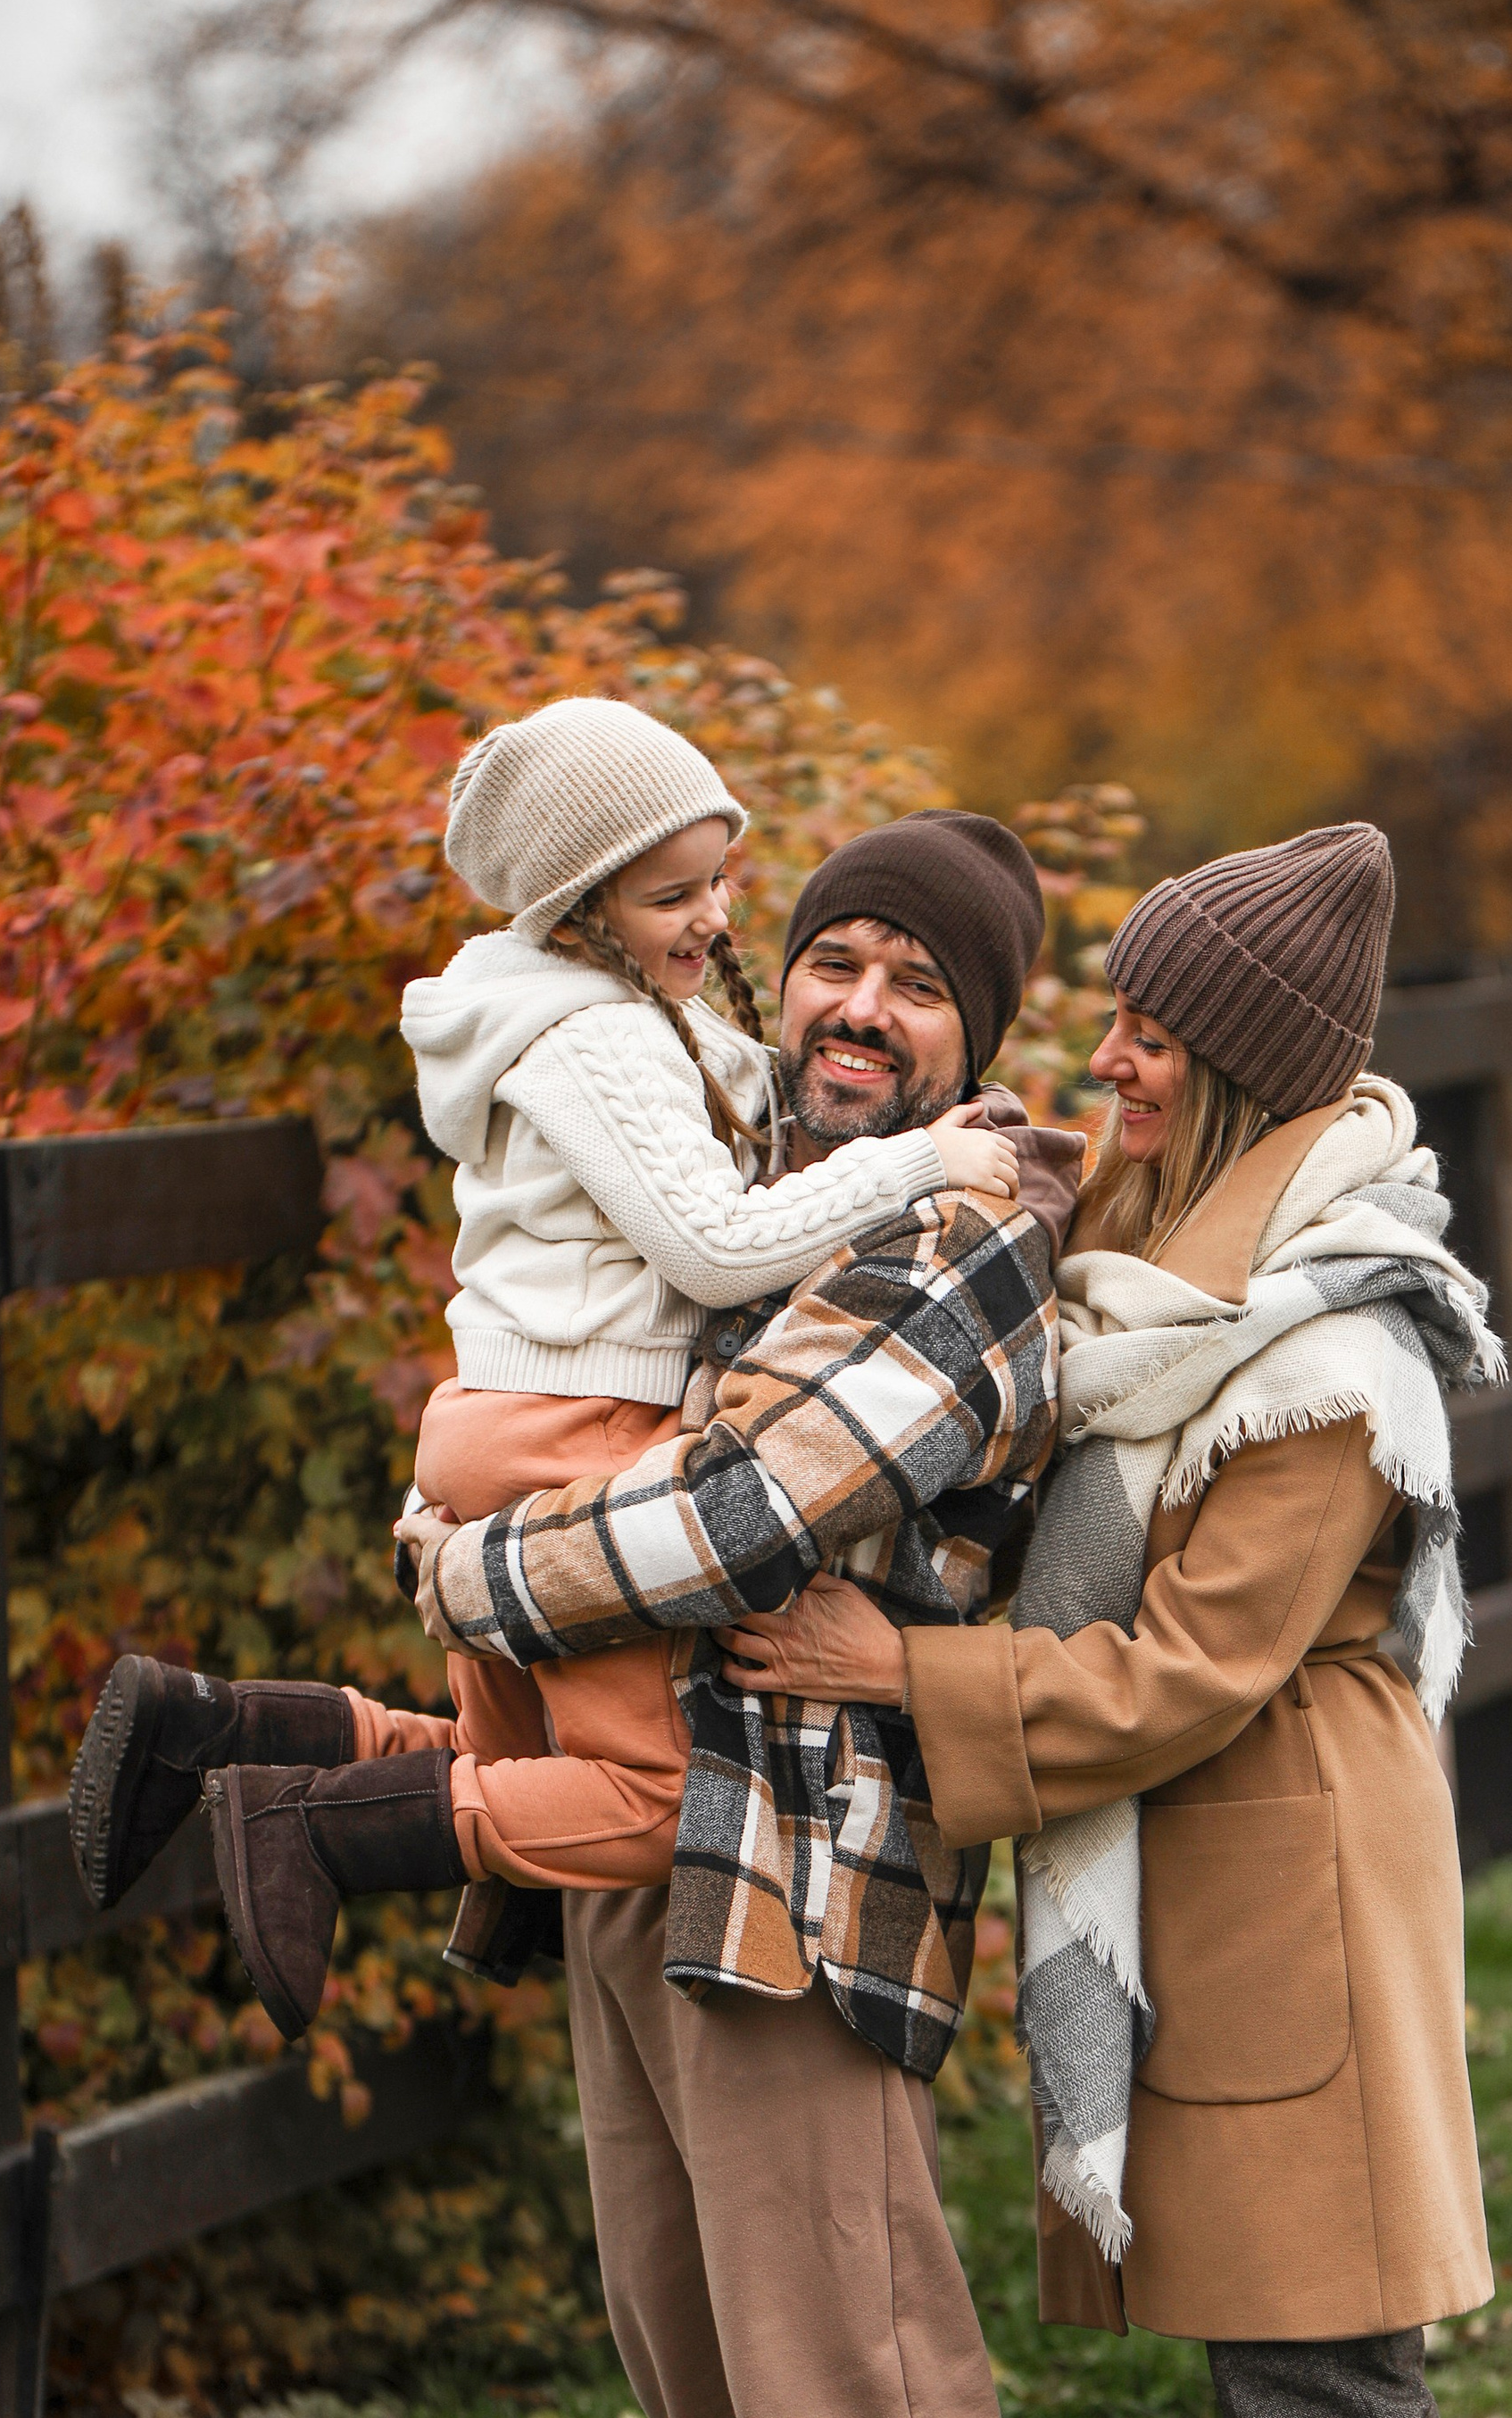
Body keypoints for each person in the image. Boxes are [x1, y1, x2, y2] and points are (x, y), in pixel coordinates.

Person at [722, 826, 1512, 2418]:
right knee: (1291, 2366)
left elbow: (1182, 1676)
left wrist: (890, 1677)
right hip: (1231, 1867)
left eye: (1145, 1034)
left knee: (1327, 2378)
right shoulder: (1190, 1243)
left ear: (1239, 1067)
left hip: (1280, 1871)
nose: (1107, 1063)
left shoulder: (1324, 1344)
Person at [404, 809, 1085, 2418]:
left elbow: (731, 1514)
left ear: (974, 1036)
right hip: (651, 1831)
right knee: (681, 2316)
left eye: (913, 982)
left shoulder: (964, 1235)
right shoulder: (734, 1204)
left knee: (844, 2346)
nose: (854, 1007)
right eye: (831, 960)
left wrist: (462, 1566)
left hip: (811, 1857)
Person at [64, 699, 1018, 2023]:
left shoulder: (606, 1014)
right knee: (653, 1792)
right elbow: (710, 1243)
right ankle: (307, 1823)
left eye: (721, 880)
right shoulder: (601, 1037)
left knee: (503, 1759)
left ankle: (220, 1729)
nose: (713, 918)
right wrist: (928, 1156)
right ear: (581, 906)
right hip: (580, 1419)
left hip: (497, 1414)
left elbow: (752, 1092)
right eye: (672, 892)